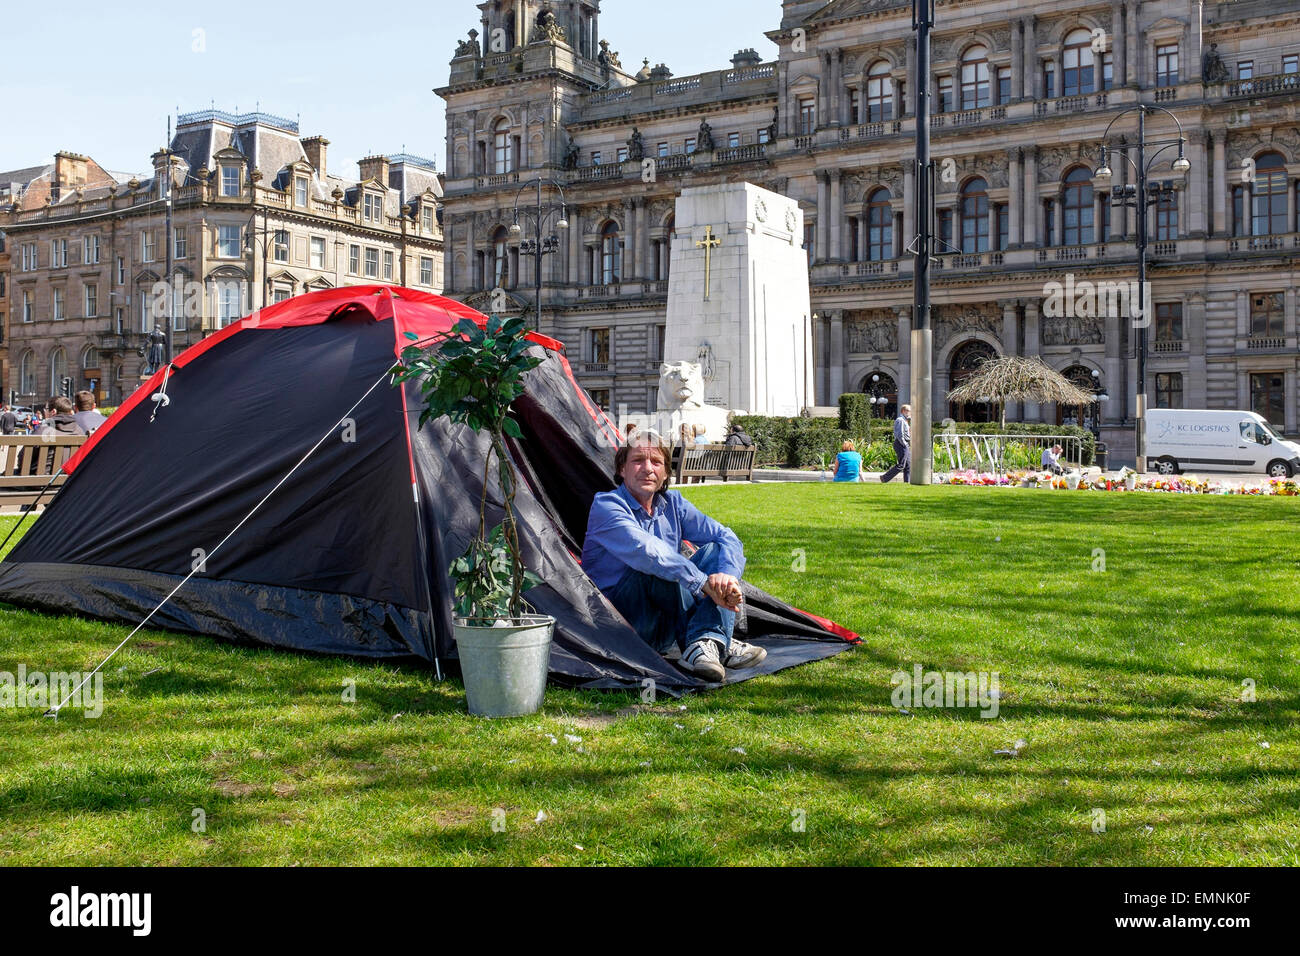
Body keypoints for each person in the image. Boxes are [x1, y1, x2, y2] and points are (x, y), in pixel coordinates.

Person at [582, 431, 767, 681]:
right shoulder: (606, 505)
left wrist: (727, 577)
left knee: (715, 550)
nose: (647, 469)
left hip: (667, 622)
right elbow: (646, 551)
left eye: (656, 462)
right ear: (622, 469)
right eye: (638, 460)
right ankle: (716, 640)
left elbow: (726, 537)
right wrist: (703, 583)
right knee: (658, 564)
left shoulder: (673, 503)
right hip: (625, 626)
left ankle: (706, 642)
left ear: (666, 473)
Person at [879, 404, 911, 482]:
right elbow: (900, 434)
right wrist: (904, 444)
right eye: (909, 411)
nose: (910, 413)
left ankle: (907, 482)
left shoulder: (904, 420)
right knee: (901, 465)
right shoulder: (900, 420)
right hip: (901, 444)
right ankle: (884, 478)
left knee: (908, 465)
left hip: (903, 444)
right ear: (903, 411)